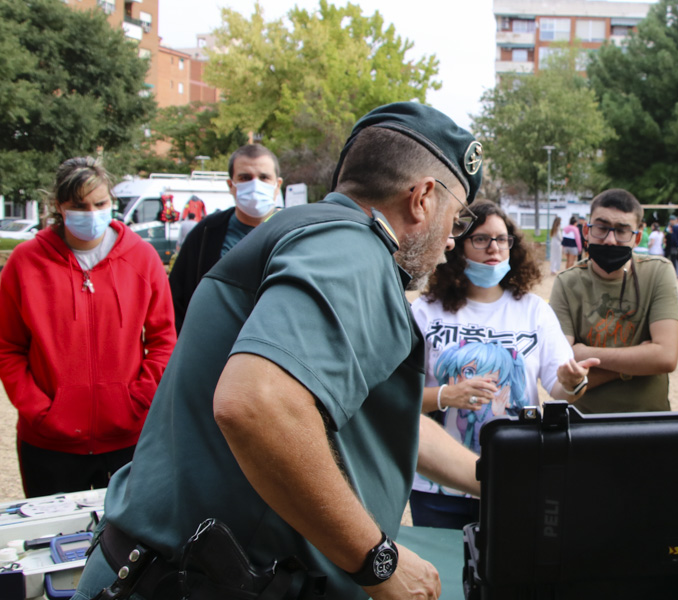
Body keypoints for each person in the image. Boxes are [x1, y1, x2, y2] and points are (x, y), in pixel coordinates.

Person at [75, 103, 489, 600]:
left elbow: (356, 421)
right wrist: (378, 560)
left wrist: (487, 476)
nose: (451, 240)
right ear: (422, 198)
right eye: (457, 216)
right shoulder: (353, 250)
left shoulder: (316, 233)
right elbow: (258, 405)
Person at [410, 201, 596, 529]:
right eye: (481, 239)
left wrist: (572, 382)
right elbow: (396, 399)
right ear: (457, 245)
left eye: (502, 238)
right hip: (437, 488)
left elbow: (561, 389)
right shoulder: (426, 311)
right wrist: (445, 396)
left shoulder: (534, 311)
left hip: (517, 478)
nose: (494, 248)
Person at [0, 158, 176, 498]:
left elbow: (164, 339)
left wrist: (138, 400)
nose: (91, 213)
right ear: (58, 207)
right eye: (79, 206)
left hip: (128, 439)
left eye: (100, 203)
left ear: (112, 202)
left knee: (127, 545)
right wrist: (40, 411)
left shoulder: (142, 258)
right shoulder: (24, 262)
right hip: (49, 445)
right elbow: (8, 347)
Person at [549, 189, 678, 414]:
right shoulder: (566, 282)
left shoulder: (658, 272)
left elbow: (666, 357)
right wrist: (637, 363)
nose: (610, 240)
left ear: (637, 237)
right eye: (601, 228)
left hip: (651, 421)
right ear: (586, 231)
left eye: (621, 231)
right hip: (584, 425)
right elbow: (564, 368)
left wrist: (583, 352)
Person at [168, 144, 283, 332]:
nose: (255, 185)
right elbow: (176, 299)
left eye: (264, 177)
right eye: (245, 178)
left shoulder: (295, 232)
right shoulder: (206, 233)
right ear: (231, 185)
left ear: (277, 185)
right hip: (213, 350)